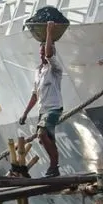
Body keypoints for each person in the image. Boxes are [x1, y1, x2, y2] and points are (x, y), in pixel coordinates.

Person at [18, 21, 63, 178]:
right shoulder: (38, 71)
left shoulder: (55, 68)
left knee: (42, 134)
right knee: (46, 139)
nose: (43, 55)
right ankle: (55, 168)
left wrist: (49, 32)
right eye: (41, 53)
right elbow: (35, 95)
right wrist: (25, 113)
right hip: (42, 110)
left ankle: (53, 164)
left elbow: (50, 54)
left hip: (54, 108)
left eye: (44, 52)